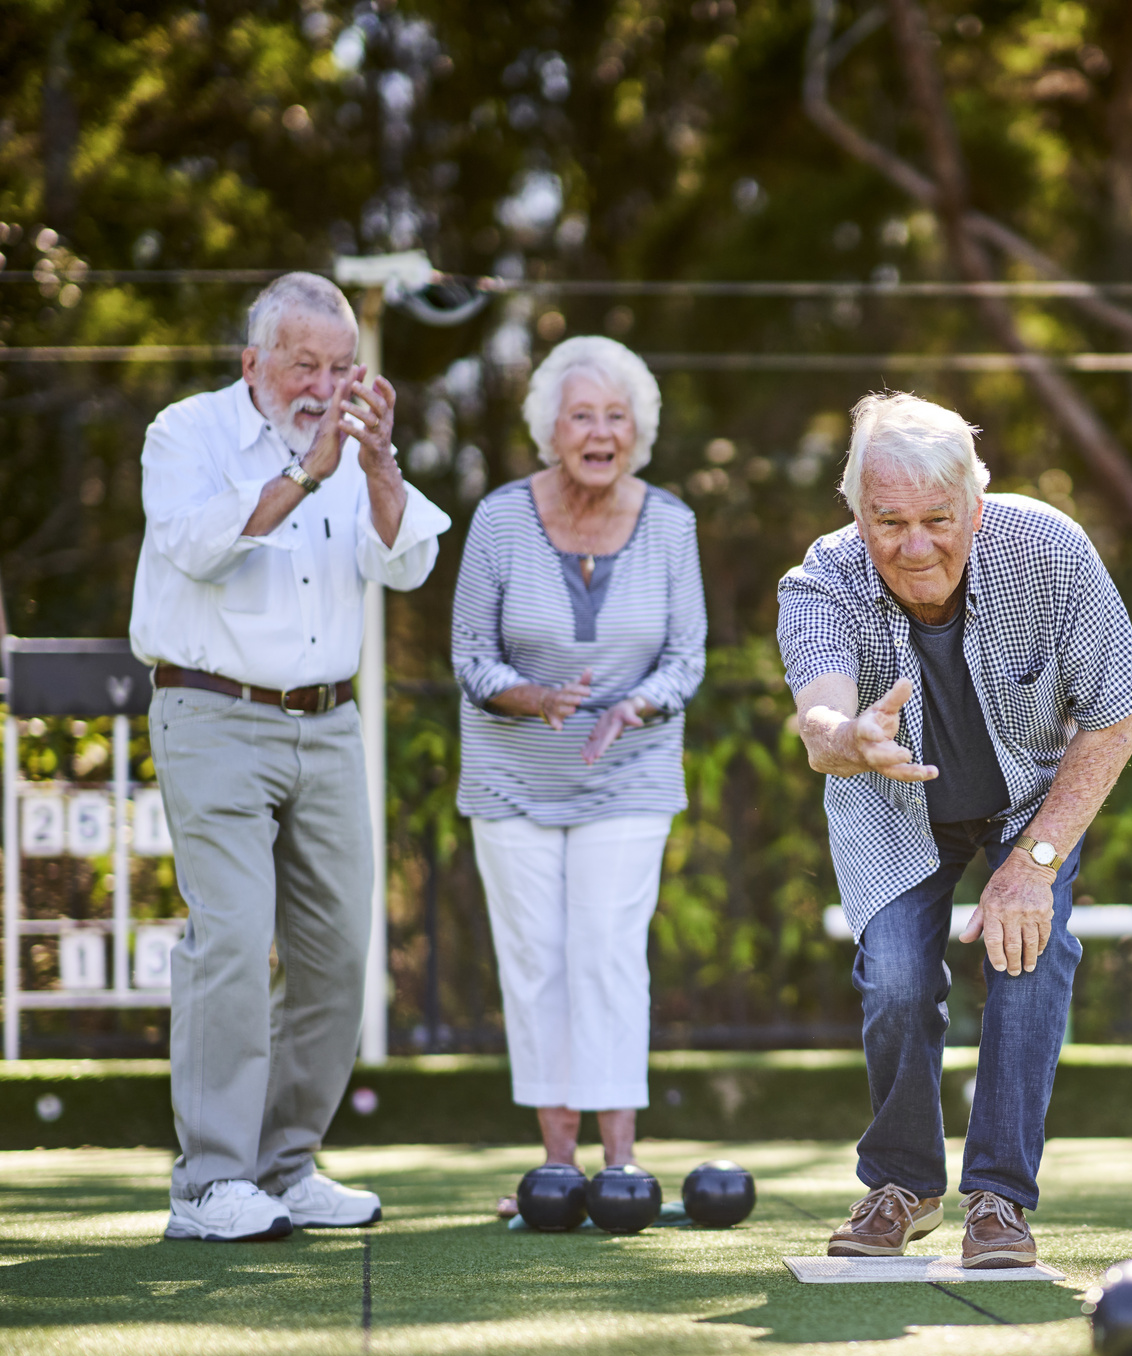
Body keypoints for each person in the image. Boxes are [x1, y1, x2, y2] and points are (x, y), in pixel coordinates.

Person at [778, 392, 1132, 1267]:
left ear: (976, 508)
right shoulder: (824, 576)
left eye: (937, 520)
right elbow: (820, 716)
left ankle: (999, 1198)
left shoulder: (1052, 553)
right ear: (858, 513)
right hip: (893, 798)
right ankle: (903, 1186)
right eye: (889, 521)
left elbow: (1116, 718)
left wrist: (1033, 864)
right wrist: (850, 739)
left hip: (1029, 801)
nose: (914, 546)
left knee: (1031, 948)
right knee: (900, 975)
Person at [132, 271, 449, 1242]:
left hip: (327, 725)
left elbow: (408, 561)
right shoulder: (185, 434)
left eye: (340, 365)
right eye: (302, 362)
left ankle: (286, 1162)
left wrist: (380, 462)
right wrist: (311, 469)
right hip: (213, 713)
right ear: (253, 363)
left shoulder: (356, 451)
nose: (321, 383)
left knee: (338, 956)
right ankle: (209, 1184)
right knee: (230, 937)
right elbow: (195, 546)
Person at [451, 337, 706, 1212]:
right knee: (537, 963)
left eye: (616, 416)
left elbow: (686, 659)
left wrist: (636, 706)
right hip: (512, 778)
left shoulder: (671, 523)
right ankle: (553, 1175)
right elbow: (471, 657)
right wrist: (533, 698)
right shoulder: (498, 520)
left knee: (606, 954)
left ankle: (622, 1166)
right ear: (550, 430)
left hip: (627, 775)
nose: (600, 432)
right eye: (582, 415)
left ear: (638, 431)